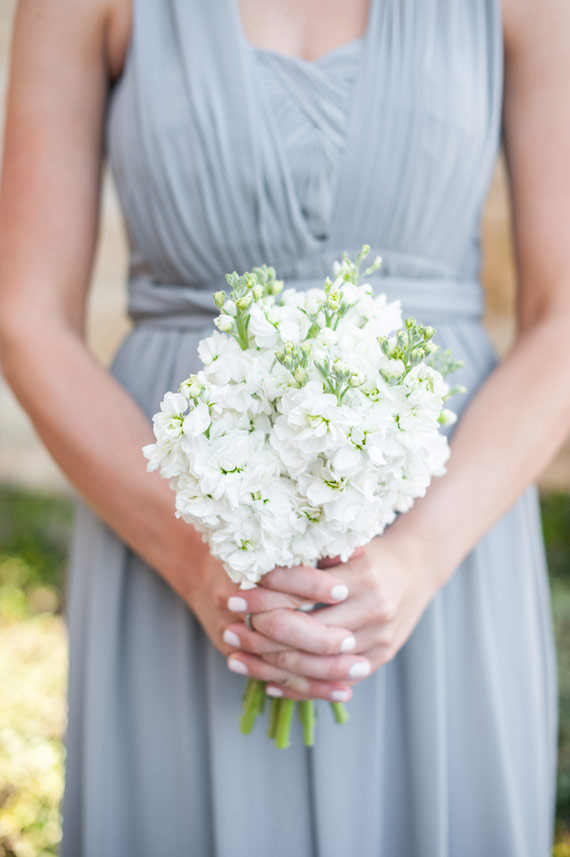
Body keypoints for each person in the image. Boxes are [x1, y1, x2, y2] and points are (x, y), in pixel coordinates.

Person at [0, 0, 567, 854]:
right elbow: (25, 315)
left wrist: (414, 559)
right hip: (169, 537)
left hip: (448, 544)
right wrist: (199, 559)